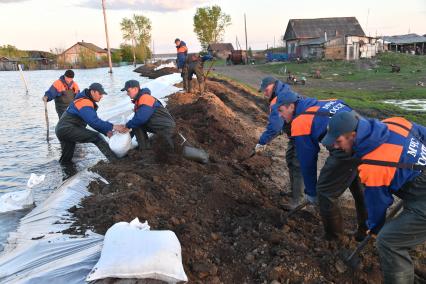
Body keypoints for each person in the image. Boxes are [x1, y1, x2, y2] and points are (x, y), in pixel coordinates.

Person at [322, 111, 426, 283]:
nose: (335, 146)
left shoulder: (373, 166)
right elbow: (422, 133)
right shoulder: (395, 123)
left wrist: (375, 229)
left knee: (388, 242)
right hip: (418, 188)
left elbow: (378, 205)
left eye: (338, 141)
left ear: (353, 136)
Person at [275, 92, 368, 241]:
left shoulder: (300, 122)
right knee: (357, 185)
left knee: (325, 192)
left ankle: (333, 238)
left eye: (280, 110)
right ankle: (366, 231)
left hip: (345, 146)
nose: (280, 116)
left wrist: (311, 192)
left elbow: (307, 160)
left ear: (292, 106)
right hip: (364, 137)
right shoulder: (324, 101)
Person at [254, 76, 305, 207]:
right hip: (295, 132)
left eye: (266, 90)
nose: (265, 94)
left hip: (302, 131)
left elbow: (275, 127)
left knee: (297, 164)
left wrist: (262, 142)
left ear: (273, 85)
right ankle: (295, 191)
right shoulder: (282, 90)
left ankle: (297, 200)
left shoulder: (278, 99)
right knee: (290, 159)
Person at [55, 83, 124, 164]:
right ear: (93, 92)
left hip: (61, 130)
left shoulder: (84, 100)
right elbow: (94, 121)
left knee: (66, 159)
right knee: (96, 137)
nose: (101, 96)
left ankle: (67, 174)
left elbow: (93, 121)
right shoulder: (84, 102)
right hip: (67, 128)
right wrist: (113, 126)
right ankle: (115, 162)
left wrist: (106, 131)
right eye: (100, 94)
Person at [121, 80, 176, 150]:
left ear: (135, 89)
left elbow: (140, 119)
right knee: (135, 124)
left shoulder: (145, 98)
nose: (127, 94)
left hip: (166, 128)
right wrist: (125, 134)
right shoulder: (139, 100)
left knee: (136, 123)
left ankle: (145, 149)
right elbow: (137, 120)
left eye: (128, 91)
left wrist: (127, 126)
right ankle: (144, 148)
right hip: (159, 126)